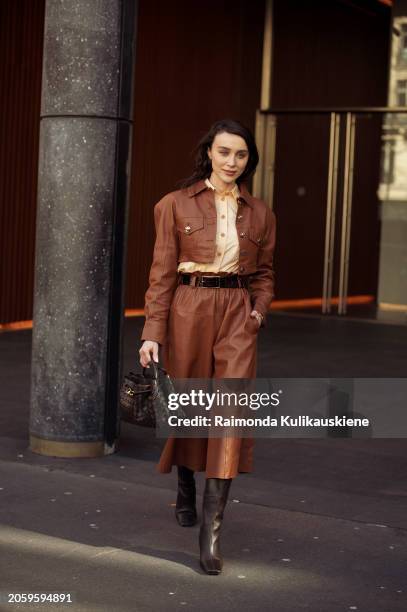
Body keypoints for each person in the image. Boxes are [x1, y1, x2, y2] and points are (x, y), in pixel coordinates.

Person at [139, 118, 276, 575]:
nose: (232, 162)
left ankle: (210, 534)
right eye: (224, 152)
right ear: (208, 154)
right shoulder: (173, 205)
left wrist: (258, 309)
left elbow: (266, 272)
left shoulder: (260, 212)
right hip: (188, 307)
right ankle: (184, 487)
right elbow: (160, 274)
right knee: (191, 406)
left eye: (241, 155)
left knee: (230, 413)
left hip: (237, 311)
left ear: (248, 160)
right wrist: (152, 332)